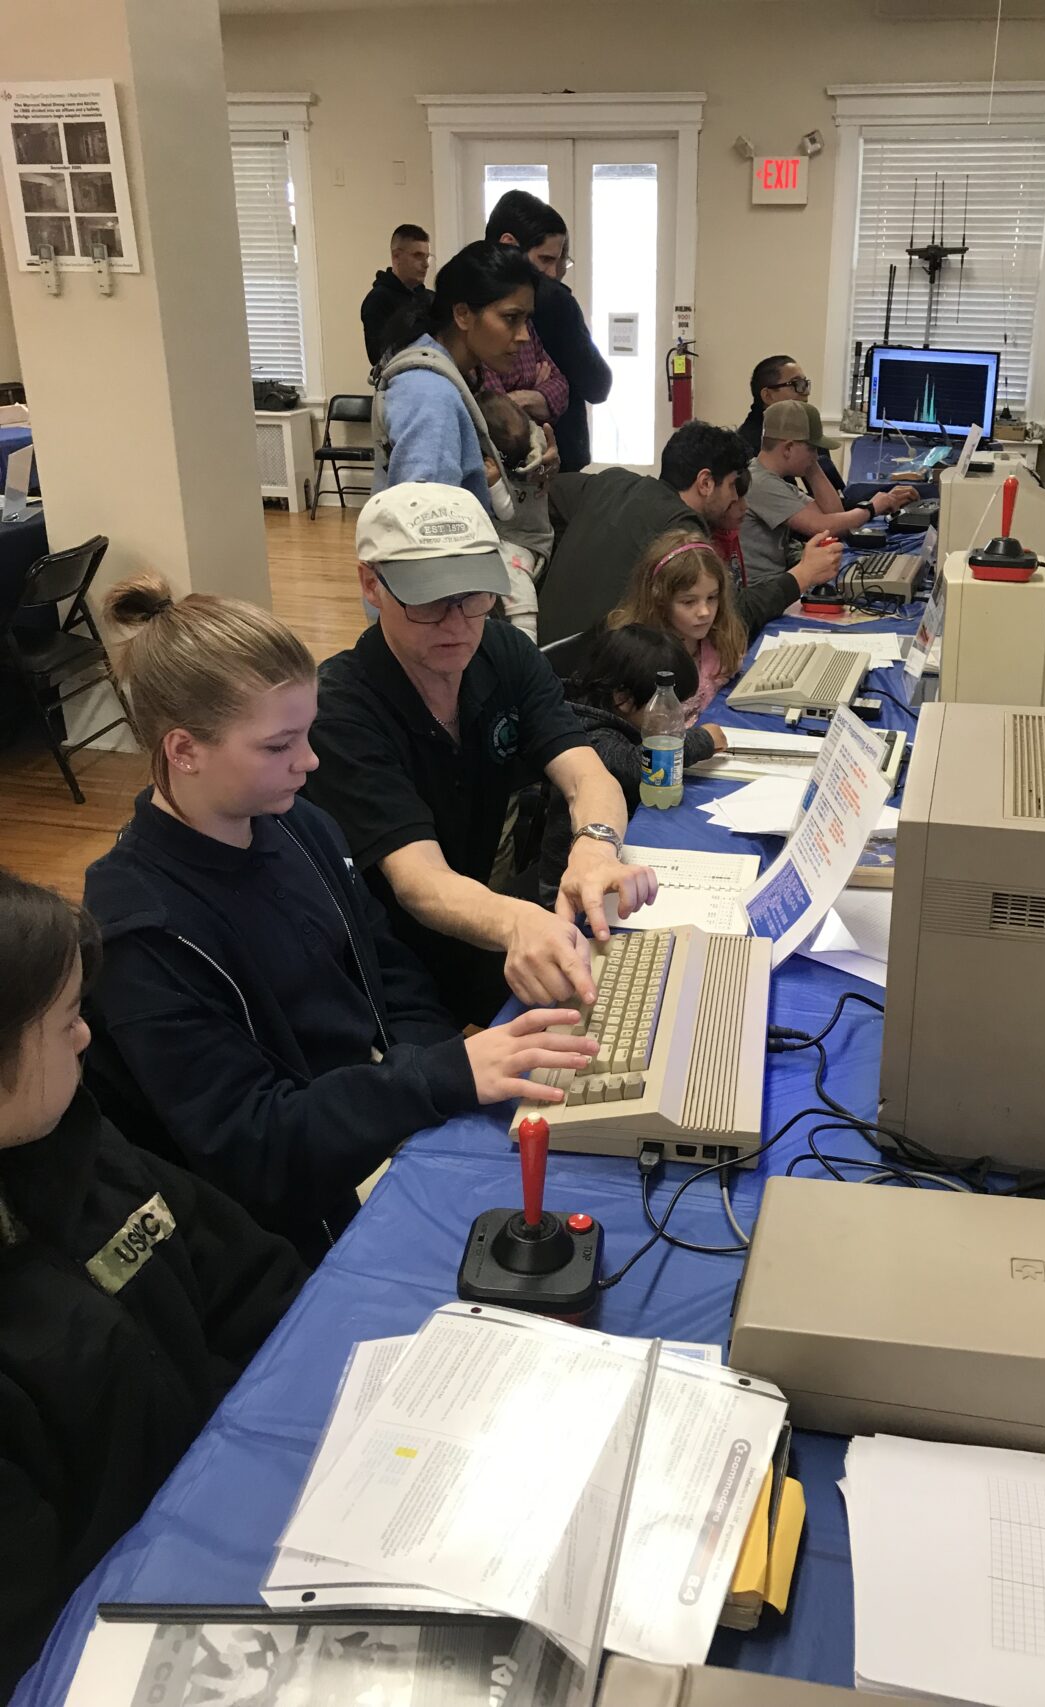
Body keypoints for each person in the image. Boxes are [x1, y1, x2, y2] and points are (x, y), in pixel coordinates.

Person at [82, 576, 595, 1260]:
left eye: (308, 732)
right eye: (279, 745)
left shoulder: (299, 823)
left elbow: (387, 972)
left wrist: (437, 1082)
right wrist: (433, 1081)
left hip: (376, 1120)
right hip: (298, 1213)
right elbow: (254, 1148)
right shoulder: (141, 931)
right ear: (184, 750)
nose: (311, 760)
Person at [0, 868, 308, 1696]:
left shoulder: (75, 1144)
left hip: (246, 1506)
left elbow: (257, 1284)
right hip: (135, 1635)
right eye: (66, 1019)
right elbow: (31, 1641)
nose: (85, 1037)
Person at [304, 483, 658, 1029]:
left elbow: (586, 773)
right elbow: (420, 882)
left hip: (474, 920)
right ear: (371, 584)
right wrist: (518, 922)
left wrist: (595, 847)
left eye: (474, 594)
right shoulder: (340, 710)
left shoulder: (504, 651)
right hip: (384, 966)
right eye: (429, 599)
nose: (457, 621)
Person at [539, 420, 842, 645]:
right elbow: (730, 616)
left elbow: (547, 494)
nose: (735, 498)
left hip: (546, 655)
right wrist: (803, 574)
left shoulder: (612, 481)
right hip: (601, 682)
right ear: (705, 483)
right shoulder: (682, 529)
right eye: (732, 485)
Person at [538, 625, 725, 905]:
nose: (675, 716)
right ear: (623, 699)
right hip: (570, 887)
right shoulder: (589, 733)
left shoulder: (621, 715)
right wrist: (701, 741)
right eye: (667, 706)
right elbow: (635, 765)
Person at [372, 239, 544, 502]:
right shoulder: (430, 393)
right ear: (463, 314)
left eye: (526, 319)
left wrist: (533, 468)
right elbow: (426, 514)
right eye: (511, 318)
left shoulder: (455, 373)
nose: (524, 336)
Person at [487, 190, 612, 473]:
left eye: (559, 261)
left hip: (532, 461)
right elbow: (597, 384)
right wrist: (533, 391)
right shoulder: (550, 299)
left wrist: (533, 395)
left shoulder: (527, 310)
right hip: (521, 464)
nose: (553, 273)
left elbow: (560, 388)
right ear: (508, 245)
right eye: (544, 259)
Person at [741, 400, 916, 576]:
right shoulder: (759, 483)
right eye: (812, 449)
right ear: (788, 448)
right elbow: (823, 527)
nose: (816, 456)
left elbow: (833, 514)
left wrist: (810, 466)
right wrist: (871, 508)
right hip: (763, 585)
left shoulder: (772, 479)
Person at [607, 531, 753, 719]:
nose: (705, 612)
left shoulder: (718, 644)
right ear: (660, 600)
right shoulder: (640, 661)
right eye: (688, 602)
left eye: (712, 598)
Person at [477, 389, 553, 639]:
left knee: (515, 575)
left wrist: (495, 483)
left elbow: (507, 513)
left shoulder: (534, 460)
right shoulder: (529, 445)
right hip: (507, 535)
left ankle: (526, 635)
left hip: (524, 540)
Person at [739, 354, 841, 487]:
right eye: (796, 384)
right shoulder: (748, 446)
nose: (806, 392)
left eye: (805, 384)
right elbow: (787, 497)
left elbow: (830, 490)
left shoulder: (800, 428)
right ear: (768, 395)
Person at [360, 223, 432, 367]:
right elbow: (379, 356)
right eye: (418, 256)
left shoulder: (430, 298)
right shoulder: (378, 300)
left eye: (427, 257)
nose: (425, 264)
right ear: (396, 256)